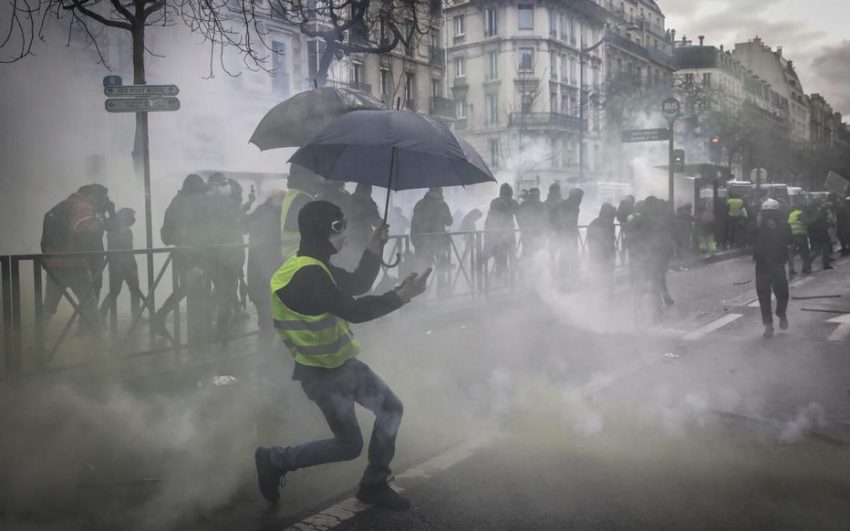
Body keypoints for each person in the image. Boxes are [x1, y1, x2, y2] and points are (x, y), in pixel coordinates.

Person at [254, 200, 431, 510]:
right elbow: (352, 309)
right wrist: (402, 295)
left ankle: (374, 483)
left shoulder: (315, 265)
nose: (345, 235)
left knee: (391, 409)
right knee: (349, 445)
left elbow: (357, 284)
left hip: (343, 365)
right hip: (321, 374)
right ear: (320, 230)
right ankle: (275, 459)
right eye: (339, 227)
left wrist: (374, 249)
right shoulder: (306, 275)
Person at [41, 184, 112, 336]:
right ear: (90, 195)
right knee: (89, 305)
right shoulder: (84, 207)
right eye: (99, 197)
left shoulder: (61, 206)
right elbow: (83, 231)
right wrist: (99, 222)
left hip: (54, 265)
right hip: (75, 264)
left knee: (47, 308)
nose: (99, 201)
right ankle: (99, 346)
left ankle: (34, 344)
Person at [154, 174, 211, 340]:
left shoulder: (177, 201)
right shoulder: (190, 202)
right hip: (193, 252)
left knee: (188, 287)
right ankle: (198, 333)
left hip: (183, 252)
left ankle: (161, 316)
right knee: (194, 288)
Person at [243, 190, 285, 345]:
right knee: (274, 320)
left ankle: (264, 357)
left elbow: (242, 226)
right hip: (273, 273)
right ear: (275, 199)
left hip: (257, 273)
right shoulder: (278, 217)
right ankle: (271, 359)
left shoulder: (259, 213)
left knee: (266, 320)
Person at [753, 198, 791, 338]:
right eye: (766, 213)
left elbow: (789, 238)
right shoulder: (758, 226)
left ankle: (781, 313)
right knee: (763, 296)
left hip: (777, 264)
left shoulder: (782, 225)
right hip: (762, 265)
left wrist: (776, 229)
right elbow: (746, 237)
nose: (769, 216)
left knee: (782, 293)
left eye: (772, 213)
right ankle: (768, 325)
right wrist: (756, 225)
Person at [99, 208, 142, 320]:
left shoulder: (113, 230)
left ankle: (101, 314)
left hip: (116, 265)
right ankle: (136, 315)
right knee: (134, 290)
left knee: (115, 292)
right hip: (126, 265)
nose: (133, 219)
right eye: (132, 216)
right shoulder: (124, 230)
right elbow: (126, 249)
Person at [410, 187, 453, 293]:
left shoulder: (419, 204)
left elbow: (414, 223)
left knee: (422, 269)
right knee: (441, 268)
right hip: (437, 241)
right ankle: (441, 291)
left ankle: (420, 295)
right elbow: (449, 221)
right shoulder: (442, 204)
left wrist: (416, 240)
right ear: (439, 191)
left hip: (420, 242)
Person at [282, 164, 325, 262]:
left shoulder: (292, 195)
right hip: (300, 260)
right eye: (316, 176)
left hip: (289, 258)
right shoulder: (303, 199)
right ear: (306, 178)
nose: (319, 181)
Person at [337, 183, 381, 269]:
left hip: (350, 237)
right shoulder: (369, 203)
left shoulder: (349, 199)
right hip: (362, 238)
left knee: (351, 264)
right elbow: (375, 221)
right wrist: (381, 222)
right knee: (362, 265)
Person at [484, 183, 519, 283]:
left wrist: (488, 233)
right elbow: (520, 216)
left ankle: (498, 280)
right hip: (509, 234)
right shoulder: (513, 202)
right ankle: (511, 280)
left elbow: (489, 218)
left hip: (496, 234)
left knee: (500, 258)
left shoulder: (494, 202)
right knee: (512, 256)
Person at [551, 187, 583, 285]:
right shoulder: (574, 206)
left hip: (563, 233)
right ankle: (572, 279)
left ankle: (563, 277)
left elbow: (554, 217)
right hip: (569, 234)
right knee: (570, 256)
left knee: (564, 255)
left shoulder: (563, 203)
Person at [586, 203, 617, 286]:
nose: (613, 218)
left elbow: (590, 238)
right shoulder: (608, 224)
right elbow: (609, 239)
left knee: (599, 273)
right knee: (605, 274)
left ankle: (600, 290)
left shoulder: (594, 222)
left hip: (598, 252)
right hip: (604, 252)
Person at [516, 187, 546, 259]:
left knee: (527, 253)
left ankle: (524, 268)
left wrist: (522, 227)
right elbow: (546, 219)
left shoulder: (523, 205)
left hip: (527, 233)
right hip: (539, 233)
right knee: (538, 254)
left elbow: (519, 217)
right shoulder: (542, 205)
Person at [806, 200, 834, 271]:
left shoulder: (811, 213)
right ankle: (826, 265)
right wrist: (828, 225)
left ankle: (806, 264)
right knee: (825, 249)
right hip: (822, 234)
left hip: (815, 234)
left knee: (816, 250)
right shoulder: (821, 213)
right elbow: (825, 223)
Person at [787, 199, 812, 276]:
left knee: (791, 254)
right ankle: (805, 268)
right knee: (804, 253)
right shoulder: (801, 214)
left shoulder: (791, 214)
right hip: (801, 235)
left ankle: (791, 270)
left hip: (792, 236)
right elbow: (807, 222)